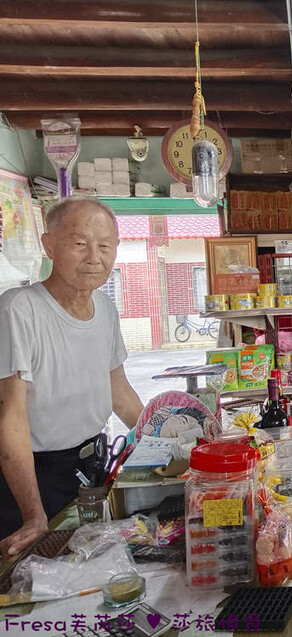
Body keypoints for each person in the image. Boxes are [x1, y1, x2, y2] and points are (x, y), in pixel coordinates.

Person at [0, 196, 143, 558]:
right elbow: (11, 417)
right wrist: (34, 515)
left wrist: (164, 436)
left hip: (90, 467)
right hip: (32, 479)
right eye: (80, 244)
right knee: (31, 587)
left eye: (105, 246)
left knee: (88, 570)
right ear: (49, 245)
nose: (94, 257)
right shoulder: (19, 310)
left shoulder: (106, 309)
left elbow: (119, 391)